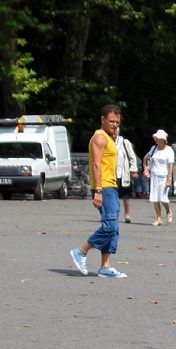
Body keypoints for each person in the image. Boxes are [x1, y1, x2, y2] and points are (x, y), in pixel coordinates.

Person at [69, 104, 127, 278]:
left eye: (117, 122)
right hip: (104, 187)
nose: (115, 125)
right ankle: (81, 252)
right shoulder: (99, 138)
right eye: (111, 121)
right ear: (102, 119)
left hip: (112, 185)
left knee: (114, 228)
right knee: (110, 226)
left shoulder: (109, 137)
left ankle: (105, 267)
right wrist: (99, 191)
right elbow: (96, 164)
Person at [143, 129, 174, 226]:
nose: (155, 140)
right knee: (155, 199)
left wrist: (169, 179)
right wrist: (145, 169)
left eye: (158, 138)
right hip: (154, 177)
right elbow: (145, 158)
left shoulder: (169, 150)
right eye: (155, 138)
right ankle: (158, 218)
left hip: (164, 177)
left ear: (163, 140)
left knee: (163, 198)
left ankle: (168, 211)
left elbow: (170, 166)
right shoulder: (153, 148)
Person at [115, 127, 138, 223]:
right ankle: (113, 215)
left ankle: (127, 214)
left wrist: (133, 170)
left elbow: (132, 157)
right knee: (112, 196)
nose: (114, 132)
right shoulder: (106, 141)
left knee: (126, 196)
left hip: (124, 173)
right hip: (111, 173)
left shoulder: (124, 142)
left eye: (116, 131)